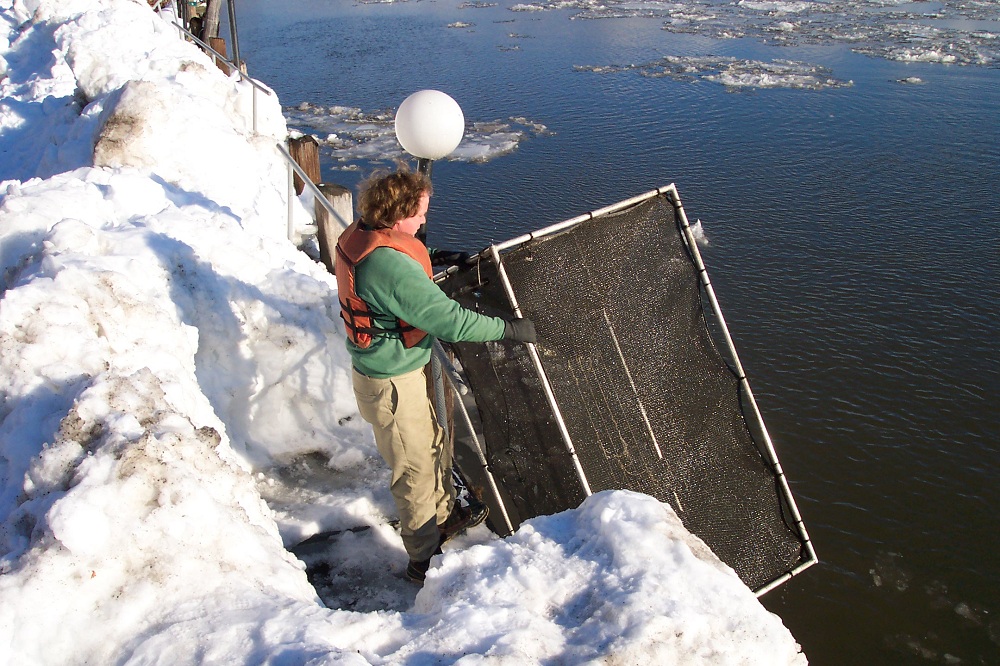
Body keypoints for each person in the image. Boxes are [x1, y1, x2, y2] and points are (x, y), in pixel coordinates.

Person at [334, 166, 536, 583]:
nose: (424, 220)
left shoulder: (362, 231)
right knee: (414, 470)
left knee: (433, 445)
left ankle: (444, 515)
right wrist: (509, 330)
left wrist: (431, 257)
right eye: (420, 214)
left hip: (393, 371)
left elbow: (396, 271)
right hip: (392, 384)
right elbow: (452, 322)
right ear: (398, 213)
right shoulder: (387, 267)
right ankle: (421, 561)